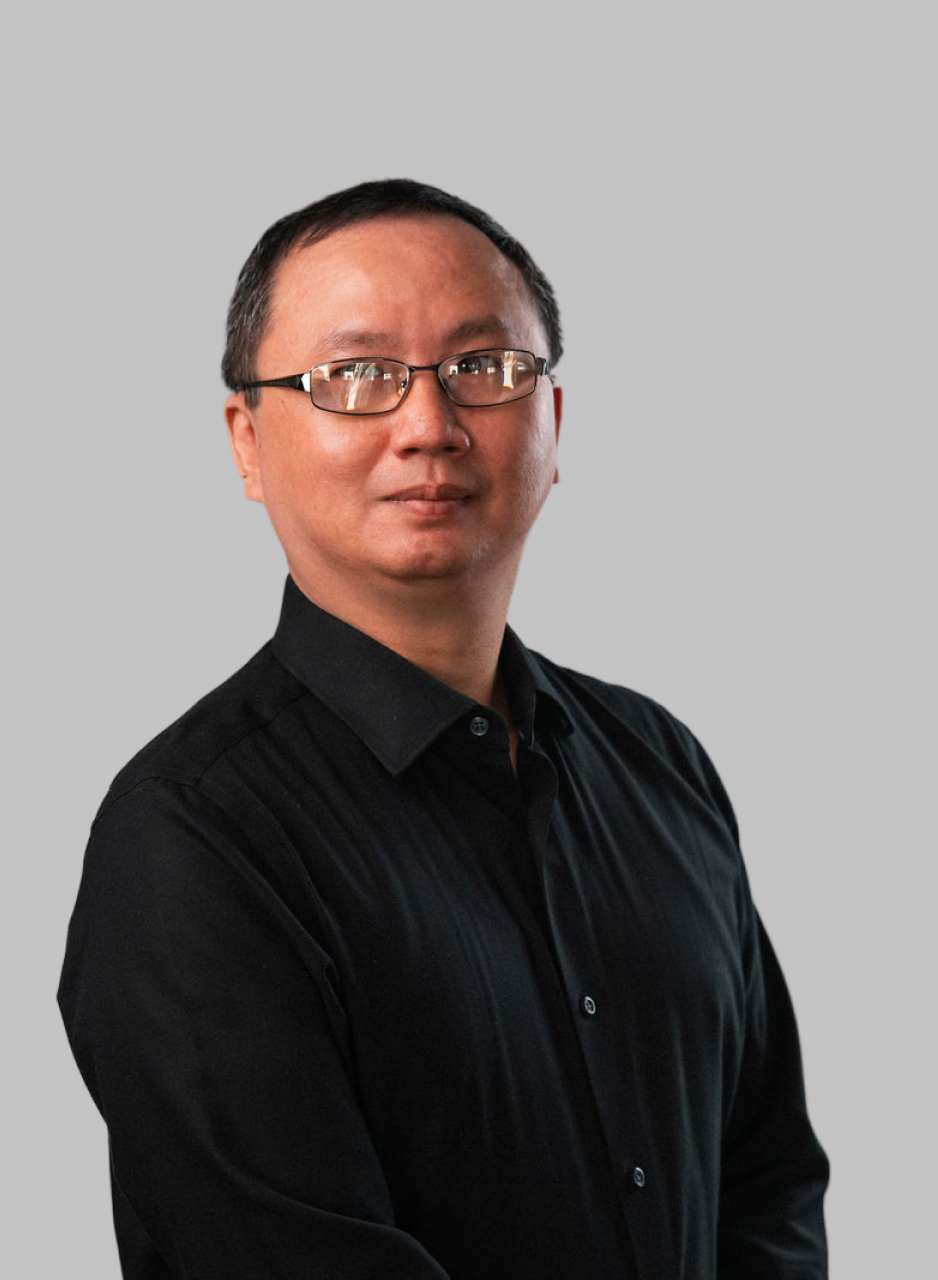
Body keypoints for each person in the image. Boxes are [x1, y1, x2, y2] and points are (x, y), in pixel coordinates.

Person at [58, 178, 828, 1279]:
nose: (428, 423)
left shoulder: (659, 764)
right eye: (355, 375)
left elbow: (768, 1182)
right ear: (248, 439)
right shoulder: (190, 839)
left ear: (552, 422)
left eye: (484, 367)